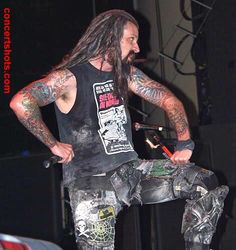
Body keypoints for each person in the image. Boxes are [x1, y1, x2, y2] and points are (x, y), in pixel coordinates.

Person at [10, 9, 228, 250]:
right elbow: (22, 102)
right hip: (92, 185)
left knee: (203, 182)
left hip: (131, 174)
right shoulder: (69, 79)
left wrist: (185, 144)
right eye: (131, 39)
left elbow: (169, 100)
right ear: (110, 38)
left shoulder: (126, 75)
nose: (136, 47)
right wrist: (53, 144)